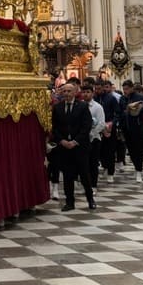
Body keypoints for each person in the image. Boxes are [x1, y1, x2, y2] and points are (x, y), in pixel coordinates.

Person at [51, 83, 96, 211]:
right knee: (67, 175)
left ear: (75, 92)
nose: (66, 93)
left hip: (80, 146)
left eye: (69, 91)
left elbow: (86, 126)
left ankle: (90, 199)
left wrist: (75, 141)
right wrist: (62, 141)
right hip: (64, 147)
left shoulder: (82, 106)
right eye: (64, 91)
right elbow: (55, 127)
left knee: (84, 174)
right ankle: (69, 202)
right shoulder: (58, 107)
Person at [120, 80, 143, 182]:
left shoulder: (140, 98)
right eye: (123, 89)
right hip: (126, 128)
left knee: (138, 150)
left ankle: (139, 171)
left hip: (137, 128)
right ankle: (136, 167)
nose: (125, 91)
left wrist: (139, 109)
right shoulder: (122, 98)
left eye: (127, 89)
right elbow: (120, 112)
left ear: (132, 88)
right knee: (131, 151)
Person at [81, 84, 106, 193]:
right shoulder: (80, 105)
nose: (85, 94)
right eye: (84, 92)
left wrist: (91, 134)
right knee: (83, 164)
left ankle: (93, 186)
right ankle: (86, 185)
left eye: (88, 92)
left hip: (94, 139)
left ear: (92, 93)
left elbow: (101, 123)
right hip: (81, 139)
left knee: (93, 163)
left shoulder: (97, 107)